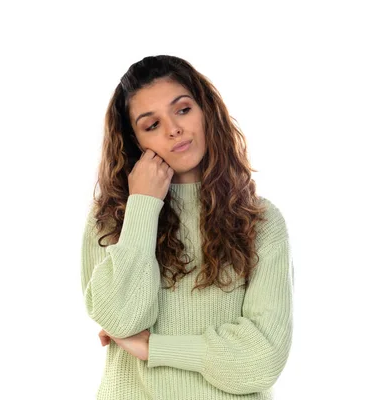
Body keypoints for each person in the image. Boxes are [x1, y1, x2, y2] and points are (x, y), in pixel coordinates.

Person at [80, 55, 294, 400]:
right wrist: (144, 206)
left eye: (182, 110)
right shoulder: (111, 219)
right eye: (152, 125)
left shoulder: (260, 220)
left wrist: (153, 348)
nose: (173, 129)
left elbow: (262, 360)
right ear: (135, 142)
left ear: (206, 110)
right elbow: (123, 319)